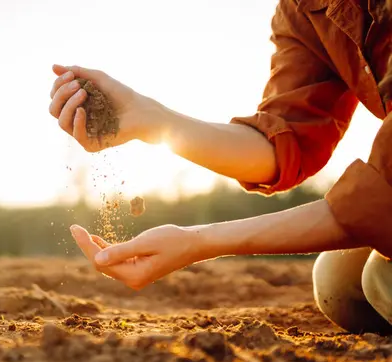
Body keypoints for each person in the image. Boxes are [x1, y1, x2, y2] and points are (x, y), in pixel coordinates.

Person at [48, 0, 392, 334]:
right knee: (339, 280)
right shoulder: (304, 8)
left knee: (379, 277)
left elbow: (379, 199)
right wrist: (150, 119)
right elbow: (285, 143)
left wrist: (200, 242)